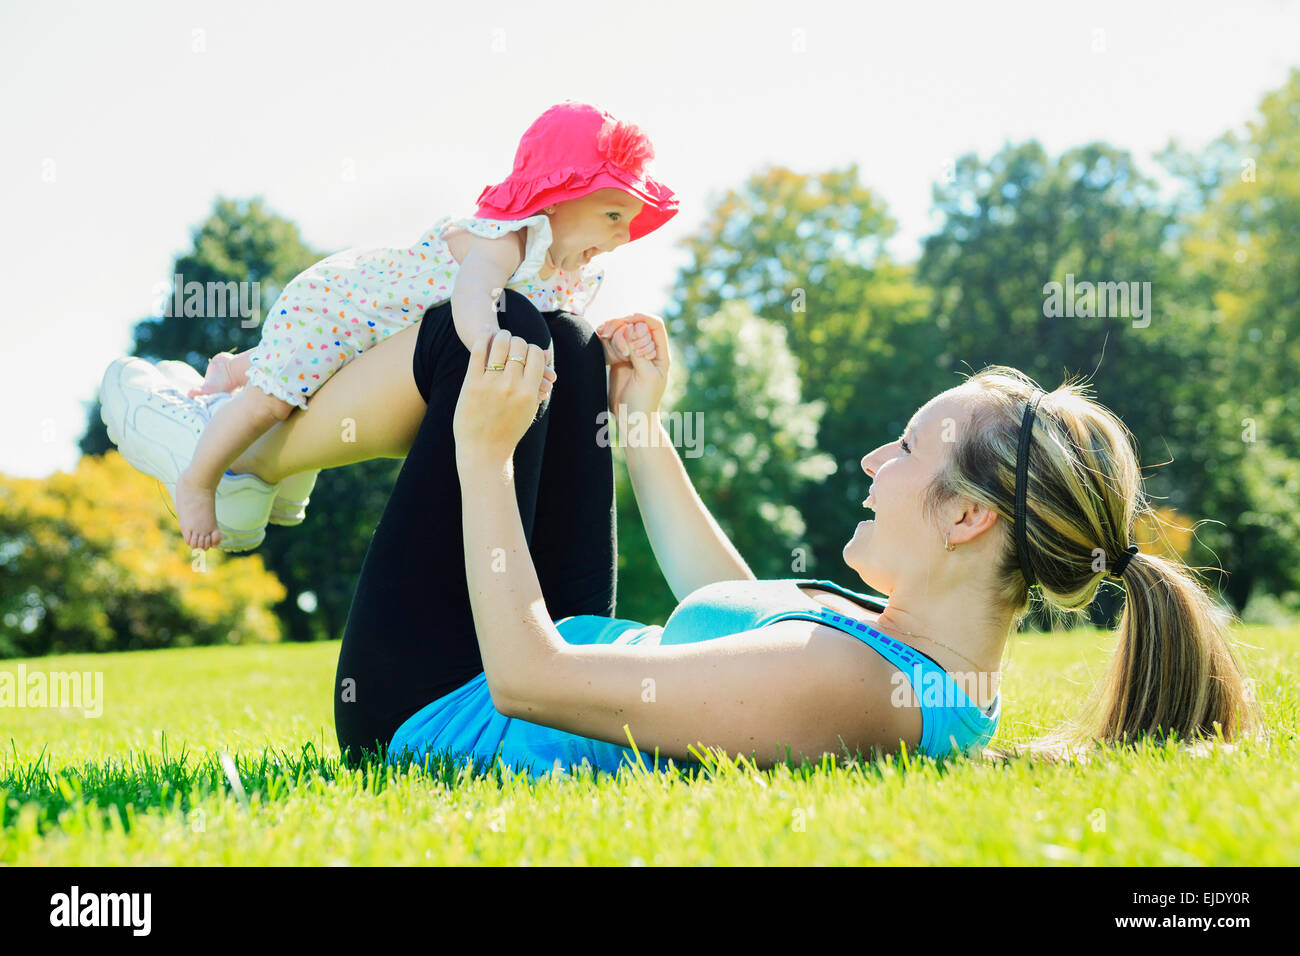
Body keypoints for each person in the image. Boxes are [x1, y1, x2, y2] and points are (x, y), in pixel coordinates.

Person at [361, 312, 1266, 778]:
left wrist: (482, 456)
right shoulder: (908, 653)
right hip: (534, 643)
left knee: (490, 333)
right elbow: (733, 609)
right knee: (560, 347)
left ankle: (236, 450)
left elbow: (532, 683)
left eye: (907, 449)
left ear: (966, 519)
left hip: (442, 704)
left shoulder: (864, 684)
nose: (875, 460)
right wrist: (640, 426)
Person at [98, 100, 676, 550]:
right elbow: (475, 297)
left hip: (376, 338)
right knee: (271, 403)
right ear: (554, 199)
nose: (624, 234)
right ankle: (199, 479)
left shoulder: (563, 273)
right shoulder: (506, 239)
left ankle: (232, 369)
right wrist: (488, 342)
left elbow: (564, 339)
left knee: (307, 385)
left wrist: (608, 347)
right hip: (340, 307)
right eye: (612, 214)